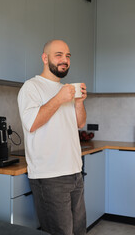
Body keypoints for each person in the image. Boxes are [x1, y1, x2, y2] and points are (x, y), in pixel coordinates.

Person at [18, 39, 87, 235]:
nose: (65, 60)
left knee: (79, 230)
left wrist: (79, 102)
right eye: (59, 55)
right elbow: (31, 123)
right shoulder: (31, 88)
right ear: (45, 58)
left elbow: (79, 123)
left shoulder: (66, 89)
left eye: (67, 56)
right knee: (61, 232)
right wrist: (59, 99)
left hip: (74, 172)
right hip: (50, 177)